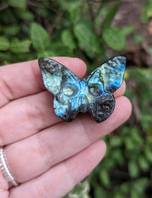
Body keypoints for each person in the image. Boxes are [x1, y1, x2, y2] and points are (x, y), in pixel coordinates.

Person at [0, 57, 132, 198]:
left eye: (94, 89)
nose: (82, 96)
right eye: (71, 88)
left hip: (83, 102)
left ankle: (79, 100)